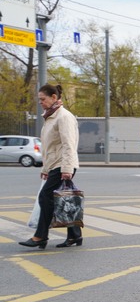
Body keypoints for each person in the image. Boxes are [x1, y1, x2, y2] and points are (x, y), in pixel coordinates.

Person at [19, 84, 83, 250]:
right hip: (55, 164)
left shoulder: (64, 117)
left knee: (45, 196)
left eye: (43, 99)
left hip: (63, 164)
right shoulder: (51, 116)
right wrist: (45, 169)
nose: (40, 102)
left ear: (54, 97)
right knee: (62, 199)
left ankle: (40, 236)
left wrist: (67, 168)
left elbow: (69, 144)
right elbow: (50, 148)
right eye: (39, 99)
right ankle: (75, 235)